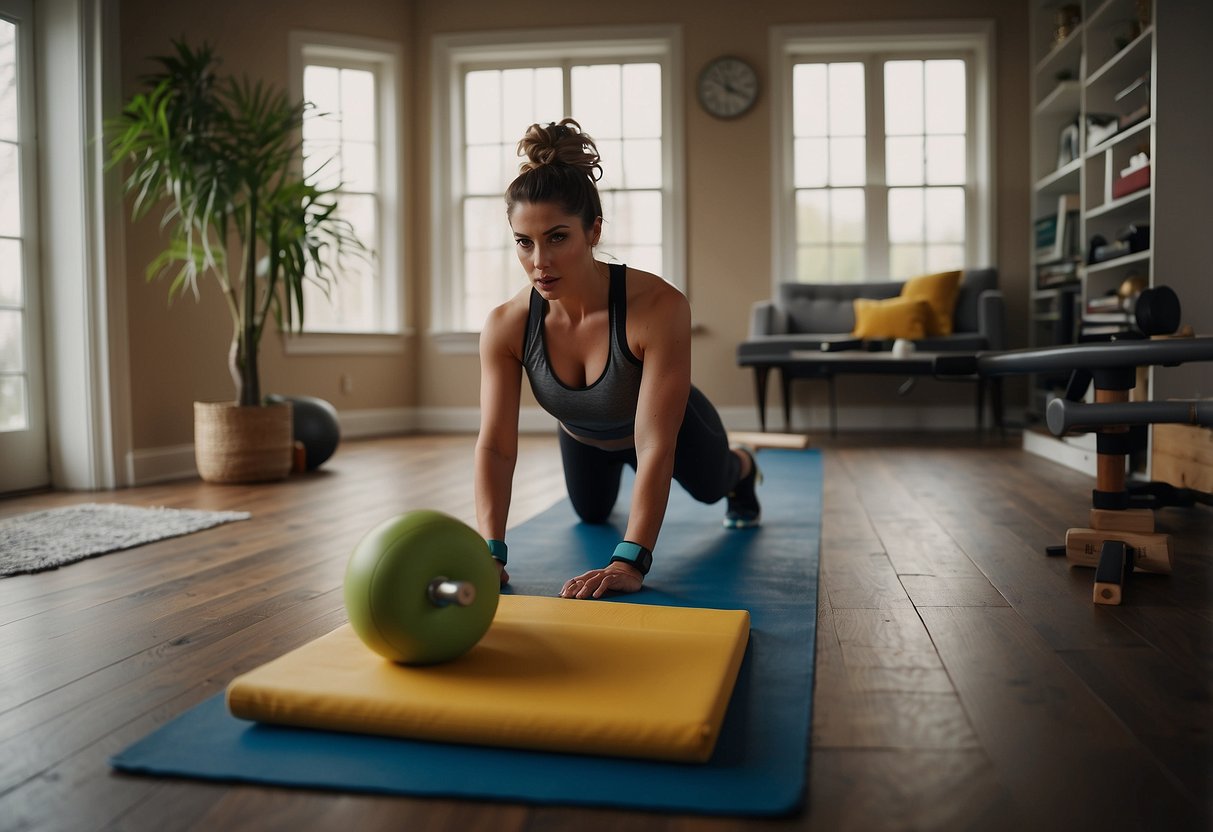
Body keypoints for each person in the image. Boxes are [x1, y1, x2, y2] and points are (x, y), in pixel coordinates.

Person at [474, 118, 760, 600]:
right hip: (584, 435)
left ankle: (744, 467)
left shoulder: (658, 307)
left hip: (671, 428)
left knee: (715, 487)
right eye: (525, 242)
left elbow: (654, 445)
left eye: (558, 237)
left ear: (594, 230)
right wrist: (490, 551)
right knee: (589, 512)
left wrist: (632, 557)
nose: (539, 261)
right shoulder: (506, 325)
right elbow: (497, 445)